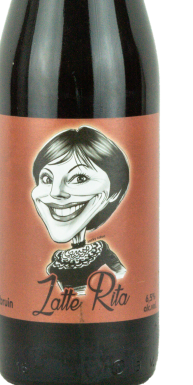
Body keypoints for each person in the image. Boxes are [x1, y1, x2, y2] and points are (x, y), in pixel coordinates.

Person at [31, 126, 130, 294]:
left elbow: (123, 274)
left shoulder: (100, 250)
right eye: (47, 178)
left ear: (114, 191)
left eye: (80, 178)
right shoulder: (57, 260)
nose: (55, 193)